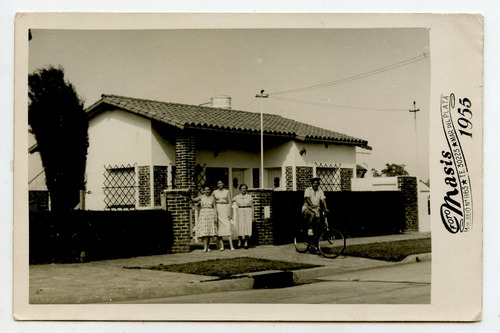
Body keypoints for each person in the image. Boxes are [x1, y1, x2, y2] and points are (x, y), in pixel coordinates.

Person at [192, 186, 218, 252]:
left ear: (210, 191)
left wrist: (215, 216)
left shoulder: (212, 198)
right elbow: (193, 199)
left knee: (209, 232)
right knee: (204, 231)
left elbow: (215, 207)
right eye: (205, 190)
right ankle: (205, 247)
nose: (207, 191)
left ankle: (208, 247)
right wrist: (190, 193)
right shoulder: (201, 197)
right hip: (203, 213)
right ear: (203, 191)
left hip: (210, 213)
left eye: (208, 190)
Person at [213, 180, 235, 251]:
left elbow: (230, 202)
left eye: (221, 183)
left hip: (225, 208)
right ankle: (222, 246)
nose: (219, 184)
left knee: (228, 227)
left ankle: (231, 246)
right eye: (218, 183)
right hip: (218, 209)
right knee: (220, 228)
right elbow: (213, 203)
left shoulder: (227, 191)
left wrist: (230, 212)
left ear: (223, 184)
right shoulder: (214, 192)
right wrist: (215, 213)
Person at [232, 183, 254, 249]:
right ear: (240, 189)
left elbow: (252, 206)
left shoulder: (249, 197)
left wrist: (253, 216)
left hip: (248, 211)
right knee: (240, 226)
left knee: (247, 226)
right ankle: (239, 242)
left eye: (245, 188)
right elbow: (230, 201)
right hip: (240, 211)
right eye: (242, 188)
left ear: (246, 189)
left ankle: (246, 242)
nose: (243, 190)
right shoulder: (237, 197)